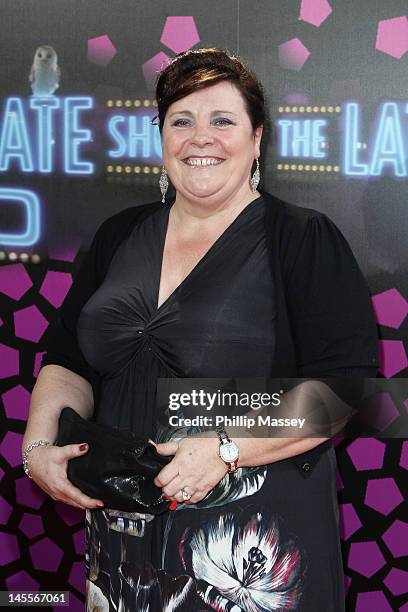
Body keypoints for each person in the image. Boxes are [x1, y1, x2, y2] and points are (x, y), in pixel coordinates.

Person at [23, 48, 378, 611]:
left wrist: (227, 448)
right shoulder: (119, 234)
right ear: (161, 136)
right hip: (123, 539)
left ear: (257, 138)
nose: (200, 137)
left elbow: (340, 388)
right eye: (181, 120)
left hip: (250, 547)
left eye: (223, 120)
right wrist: (38, 446)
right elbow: (68, 359)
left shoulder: (300, 238)